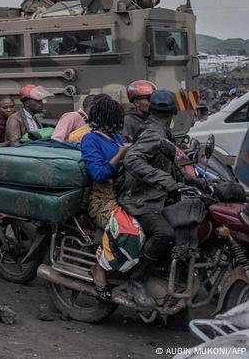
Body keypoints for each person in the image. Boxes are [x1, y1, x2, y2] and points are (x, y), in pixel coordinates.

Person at [119, 90, 199, 308]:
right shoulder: (154, 132)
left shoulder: (161, 130)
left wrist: (195, 181)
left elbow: (171, 160)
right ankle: (136, 279)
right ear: (174, 111)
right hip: (142, 198)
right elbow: (133, 159)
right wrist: (164, 180)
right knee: (164, 233)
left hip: (158, 195)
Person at [79, 97, 128, 300]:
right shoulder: (90, 140)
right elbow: (98, 174)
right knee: (129, 229)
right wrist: (122, 154)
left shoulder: (116, 138)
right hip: (102, 200)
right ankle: (99, 269)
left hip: (122, 195)